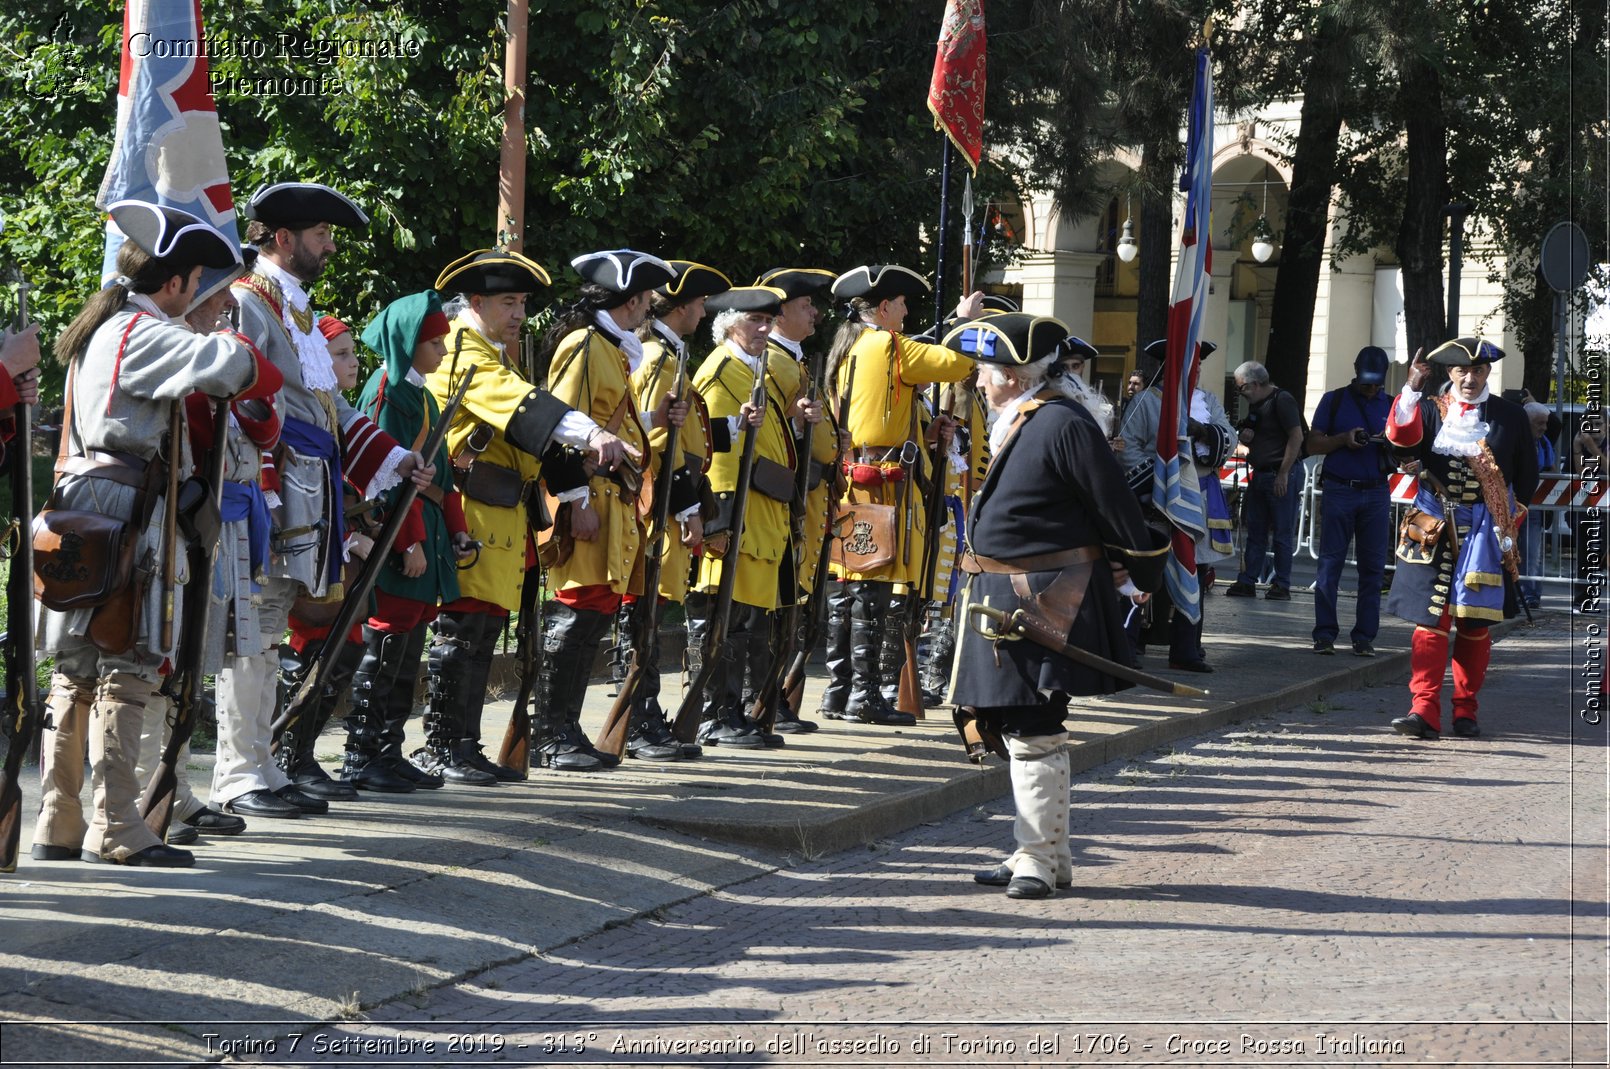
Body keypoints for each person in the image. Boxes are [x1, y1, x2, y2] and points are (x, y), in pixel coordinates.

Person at [32, 201, 272, 866]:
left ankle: (59, 815)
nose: (206, 298)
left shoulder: (107, 326)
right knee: (127, 663)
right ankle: (114, 824)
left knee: (77, 668)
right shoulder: (140, 329)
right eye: (201, 284)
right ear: (175, 283)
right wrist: (240, 334)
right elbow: (232, 368)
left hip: (87, 500)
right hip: (124, 505)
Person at [224, 181, 431, 820]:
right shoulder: (247, 303)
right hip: (270, 489)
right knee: (254, 639)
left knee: (271, 637)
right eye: (321, 235)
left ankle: (265, 764)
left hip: (306, 493)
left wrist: (397, 458)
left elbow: (330, 408)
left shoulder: (297, 311)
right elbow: (247, 405)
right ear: (283, 238)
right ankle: (238, 775)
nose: (329, 246)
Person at [942, 312, 1166, 899]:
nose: (979, 383)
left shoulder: (1062, 423)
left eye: (986, 372)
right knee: (1022, 725)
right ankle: (1045, 855)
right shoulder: (1019, 417)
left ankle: (1038, 859)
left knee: (1034, 725)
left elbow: (1113, 503)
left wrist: (1136, 568)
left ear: (1016, 376)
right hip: (1002, 594)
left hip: (1043, 596)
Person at [424, 248, 631, 781]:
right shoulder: (461, 352)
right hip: (471, 511)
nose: (519, 313)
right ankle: (444, 747)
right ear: (475, 303)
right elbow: (522, 406)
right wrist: (593, 434)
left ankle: (464, 745)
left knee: (484, 630)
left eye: (521, 303)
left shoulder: (494, 352)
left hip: (503, 513)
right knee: (463, 631)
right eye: (507, 302)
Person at [826, 265, 983, 726]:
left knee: (849, 583)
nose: (908, 311)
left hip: (854, 477)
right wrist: (964, 323)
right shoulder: (888, 345)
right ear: (884, 308)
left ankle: (839, 692)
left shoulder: (849, 345)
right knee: (873, 588)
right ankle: (865, 696)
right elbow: (958, 364)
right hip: (886, 485)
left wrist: (925, 430)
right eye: (902, 303)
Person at [536, 249, 671, 769]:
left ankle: (566, 729)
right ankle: (552, 735)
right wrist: (575, 501)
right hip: (589, 498)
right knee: (576, 611)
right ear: (631, 300)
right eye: (645, 299)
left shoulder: (611, 348)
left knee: (594, 614)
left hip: (613, 500)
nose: (650, 307)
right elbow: (558, 422)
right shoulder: (585, 345)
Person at [342, 291, 475, 792]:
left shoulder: (422, 394)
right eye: (434, 341)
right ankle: (362, 753)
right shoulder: (386, 390)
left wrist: (457, 529)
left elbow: (439, 477)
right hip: (401, 536)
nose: (443, 350)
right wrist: (408, 542)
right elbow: (385, 478)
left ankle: (389, 749)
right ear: (407, 342)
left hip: (428, 536)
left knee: (408, 646)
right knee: (387, 641)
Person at [1385, 338, 1537, 740]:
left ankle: (1466, 711)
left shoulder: (1509, 416)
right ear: (1450, 373)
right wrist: (1411, 390)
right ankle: (1423, 710)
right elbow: (1399, 442)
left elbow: (1525, 479)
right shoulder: (1431, 409)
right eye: (1461, 371)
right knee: (1430, 622)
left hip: (1486, 534)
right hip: (1432, 526)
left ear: (1488, 372)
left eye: (1478, 371)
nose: (1470, 378)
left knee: (1474, 625)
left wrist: (1507, 525)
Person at [619, 260, 728, 760]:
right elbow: (659, 443)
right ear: (681, 307)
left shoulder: (667, 353)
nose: (705, 313)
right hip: (653, 503)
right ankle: (637, 720)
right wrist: (686, 509)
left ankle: (644, 715)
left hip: (664, 498)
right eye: (701, 304)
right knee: (643, 612)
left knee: (652, 612)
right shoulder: (660, 358)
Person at [686, 285, 796, 747]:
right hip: (732, 513)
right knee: (721, 618)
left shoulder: (756, 369)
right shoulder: (720, 369)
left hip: (759, 513)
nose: (766, 329)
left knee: (745, 618)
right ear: (731, 323)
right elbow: (710, 450)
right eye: (756, 321)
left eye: (770, 321)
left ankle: (731, 710)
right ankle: (714, 714)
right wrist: (718, 519)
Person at [275, 313, 368, 800]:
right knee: (314, 646)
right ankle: (290, 754)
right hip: (313, 541)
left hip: (337, 545)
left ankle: (303, 753)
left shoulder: (334, 408)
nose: (352, 362)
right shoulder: (310, 408)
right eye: (341, 354)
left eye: (352, 353)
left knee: (344, 647)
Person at [753, 267, 839, 732]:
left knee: (796, 603)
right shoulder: (776, 363)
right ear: (781, 312)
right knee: (779, 605)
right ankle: (765, 698)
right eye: (805, 306)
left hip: (810, 494)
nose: (814, 313)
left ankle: (776, 698)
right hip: (790, 493)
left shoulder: (795, 361)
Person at [1114, 339, 1234, 671]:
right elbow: (1129, 449)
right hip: (1156, 502)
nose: (1194, 370)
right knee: (1143, 573)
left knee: (1193, 574)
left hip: (1198, 503)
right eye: (1188, 364)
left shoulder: (1208, 401)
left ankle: (1187, 649)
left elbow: (1228, 436)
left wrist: (1203, 430)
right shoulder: (1146, 402)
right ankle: (1130, 645)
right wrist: (1159, 481)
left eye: (1197, 365)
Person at [1306, 345, 1393, 656]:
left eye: (1376, 384)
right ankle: (1324, 635)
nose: (1371, 389)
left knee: (1373, 569)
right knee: (1330, 565)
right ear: (1355, 371)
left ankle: (1364, 637)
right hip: (1340, 489)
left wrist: (1391, 445)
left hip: (1377, 491)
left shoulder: (1393, 404)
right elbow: (1313, 443)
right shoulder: (1334, 400)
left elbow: (1409, 449)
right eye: (1366, 382)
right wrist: (1343, 439)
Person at [1223, 360, 1305, 600]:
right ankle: (1248, 580)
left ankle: (1281, 584)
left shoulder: (1282, 400)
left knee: (1281, 532)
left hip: (1280, 474)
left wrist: (1283, 473)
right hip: (1261, 474)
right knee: (1256, 531)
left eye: (1241, 389)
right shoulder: (1258, 404)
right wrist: (1248, 438)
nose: (1240, 393)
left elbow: (1296, 436)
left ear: (1255, 384)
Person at [1517, 400, 1556, 609]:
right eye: (1540, 423)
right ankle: (1515, 594)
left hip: (1534, 506)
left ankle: (1530, 595)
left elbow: (1551, 468)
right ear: (1526, 422)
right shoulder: (1515, 440)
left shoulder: (1544, 443)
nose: (1544, 428)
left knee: (1531, 552)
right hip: (1512, 504)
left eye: (1546, 423)